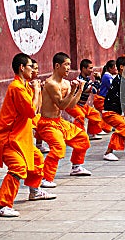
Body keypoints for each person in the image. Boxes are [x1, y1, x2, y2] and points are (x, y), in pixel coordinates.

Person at [0, 53, 56, 218]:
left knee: (37, 160)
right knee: (18, 167)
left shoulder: (22, 86)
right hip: (10, 137)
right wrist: (37, 91)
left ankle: (35, 191)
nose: (34, 70)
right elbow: (32, 111)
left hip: (22, 137)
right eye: (31, 66)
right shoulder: (16, 87)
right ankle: (2, 204)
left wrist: (33, 89)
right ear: (22, 68)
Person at [36, 52, 92, 188]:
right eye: (66, 65)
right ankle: (45, 178)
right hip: (47, 123)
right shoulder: (51, 84)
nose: (68, 68)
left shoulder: (66, 83)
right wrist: (74, 90)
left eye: (69, 65)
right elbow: (61, 104)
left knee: (82, 138)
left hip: (59, 122)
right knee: (58, 147)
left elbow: (70, 106)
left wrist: (79, 90)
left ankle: (76, 166)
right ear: (57, 66)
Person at [65, 59, 103, 140]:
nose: (92, 70)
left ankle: (91, 133)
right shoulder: (80, 80)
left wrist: (97, 80)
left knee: (95, 114)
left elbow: (96, 88)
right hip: (74, 105)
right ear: (83, 68)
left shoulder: (88, 79)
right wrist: (98, 79)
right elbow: (94, 90)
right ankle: (79, 136)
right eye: (90, 68)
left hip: (82, 105)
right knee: (80, 116)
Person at [30, 59, 50, 154]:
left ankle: (38, 144)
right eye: (35, 68)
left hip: (35, 112)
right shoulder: (27, 85)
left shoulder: (35, 83)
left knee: (41, 122)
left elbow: (39, 106)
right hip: (28, 114)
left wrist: (40, 90)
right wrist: (36, 89)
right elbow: (33, 109)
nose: (38, 71)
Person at [93, 60, 118, 133]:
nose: (117, 68)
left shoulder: (109, 76)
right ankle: (103, 128)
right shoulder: (107, 77)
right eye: (115, 67)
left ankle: (106, 127)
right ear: (110, 68)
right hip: (102, 99)